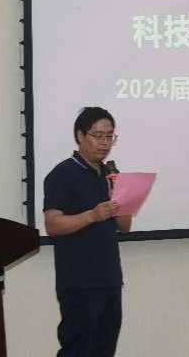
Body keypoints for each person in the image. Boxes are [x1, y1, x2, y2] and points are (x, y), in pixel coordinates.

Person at [43, 106, 132, 357]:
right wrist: (92, 215)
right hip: (79, 284)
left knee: (104, 350)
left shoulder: (110, 174)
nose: (105, 143)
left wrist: (121, 198)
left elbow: (125, 227)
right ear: (80, 136)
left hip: (110, 280)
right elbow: (52, 225)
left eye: (110, 136)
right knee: (77, 350)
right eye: (98, 135)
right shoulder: (62, 174)